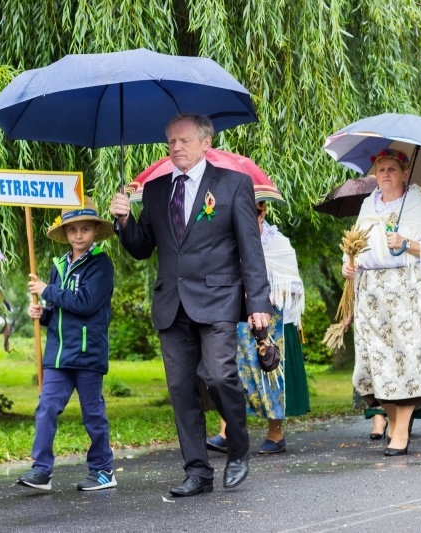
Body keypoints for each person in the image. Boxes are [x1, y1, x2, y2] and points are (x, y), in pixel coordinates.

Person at [110, 113, 271, 497]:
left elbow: (250, 248)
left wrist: (258, 302)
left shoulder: (233, 184)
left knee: (218, 375)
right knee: (182, 389)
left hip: (218, 297)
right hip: (171, 302)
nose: (176, 148)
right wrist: (124, 221)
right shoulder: (155, 190)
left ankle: (238, 446)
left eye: (183, 140)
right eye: (171, 142)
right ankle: (197, 472)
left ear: (205, 143)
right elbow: (141, 248)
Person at [341, 148, 421, 456]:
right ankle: (395, 421)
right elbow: (354, 246)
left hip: (406, 290)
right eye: (381, 169)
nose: (385, 174)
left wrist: (406, 243)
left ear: (405, 173)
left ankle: (400, 431)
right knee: (373, 362)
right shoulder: (367, 206)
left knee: (406, 360)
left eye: (392, 169)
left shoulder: (415, 203)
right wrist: (349, 265)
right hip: (371, 293)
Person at [16, 197, 117, 491]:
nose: (78, 235)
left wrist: (47, 290)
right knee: (46, 408)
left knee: (92, 414)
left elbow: (85, 303)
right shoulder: (59, 265)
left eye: (85, 229)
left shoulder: (101, 265)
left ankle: (103, 469)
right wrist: (43, 314)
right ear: (65, 233)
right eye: (72, 230)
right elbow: (60, 311)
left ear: (95, 231)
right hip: (58, 355)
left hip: (87, 354)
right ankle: (41, 470)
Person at [207, 201, 308, 454]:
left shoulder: (279, 244)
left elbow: (294, 286)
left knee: (270, 371)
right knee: (232, 373)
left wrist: (266, 296)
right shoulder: (228, 242)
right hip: (236, 317)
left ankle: (276, 434)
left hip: (272, 321)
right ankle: (227, 432)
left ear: (262, 214)